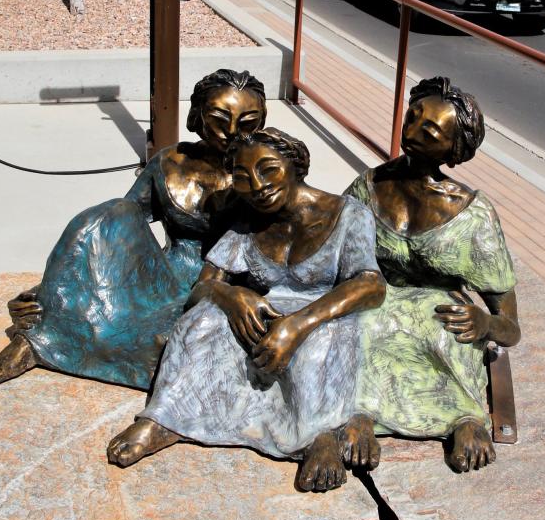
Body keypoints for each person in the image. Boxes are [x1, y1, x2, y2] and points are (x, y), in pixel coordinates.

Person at [106, 128, 385, 492]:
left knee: (318, 346)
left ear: (296, 166)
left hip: (325, 312)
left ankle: (319, 437)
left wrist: (298, 325)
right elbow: (205, 284)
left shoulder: (347, 214)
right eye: (242, 177)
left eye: (268, 169)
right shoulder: (248, 221)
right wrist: (231, 297)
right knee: (201, 322)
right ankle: (167, 417)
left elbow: (369, 283)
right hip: (267, 310)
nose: (257, 185)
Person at [0, 69, 267, 391]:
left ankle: (64, 342)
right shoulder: (169, 161)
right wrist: (52, 287)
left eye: (246, 122)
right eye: (219, 118)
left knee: (170, 344)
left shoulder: (269, 172)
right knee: (109, 212)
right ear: (198, 114)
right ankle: (38, 341)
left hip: (225, 281)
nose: (230, 131)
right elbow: (118, 226)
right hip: (164, 271)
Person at [343, 76, 519, 473]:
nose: (412, 131)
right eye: (412, 116)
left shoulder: (474, 214)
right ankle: (361, 415)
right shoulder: (368, 187)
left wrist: (486, 321)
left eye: (431, 129)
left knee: (446, 332)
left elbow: (511, 327)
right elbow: (332, 248)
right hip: (377, 299)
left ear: (454, 149)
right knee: (364, 326)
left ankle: (465, 420)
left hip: (442, 314)